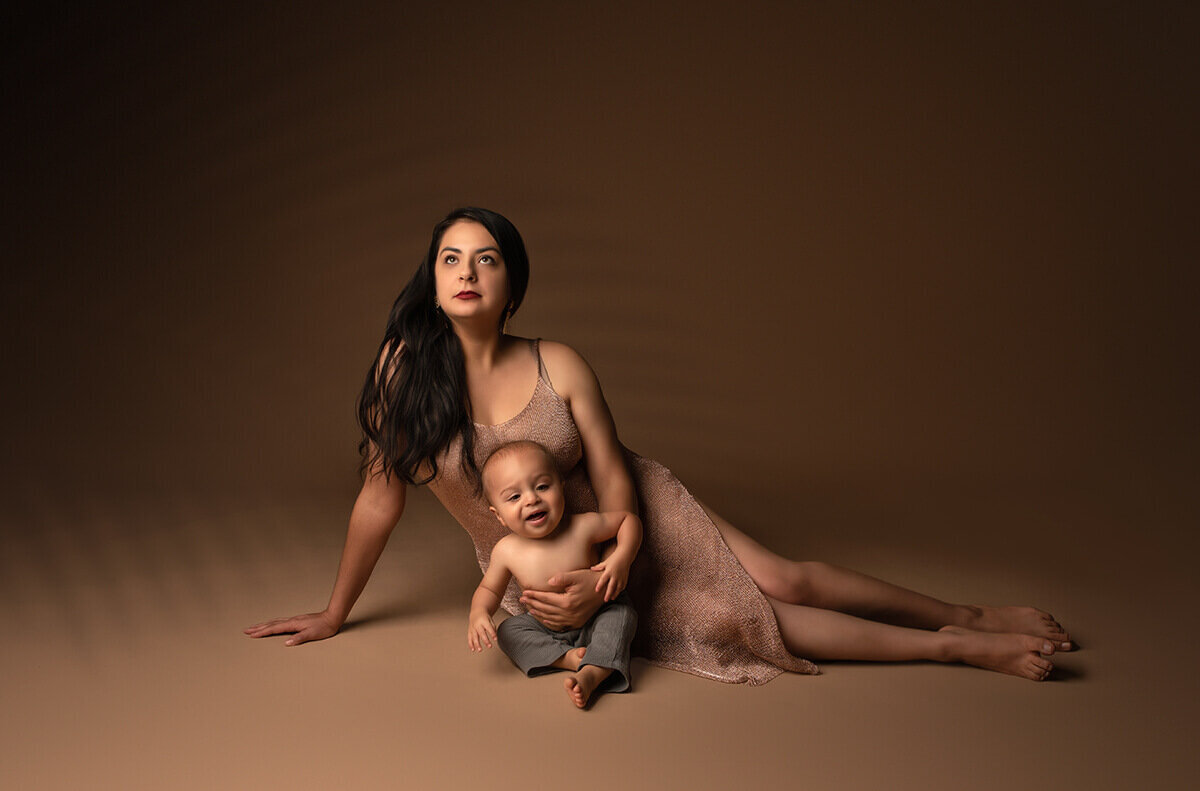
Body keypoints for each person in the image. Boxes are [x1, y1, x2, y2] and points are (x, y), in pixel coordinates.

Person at [245, 206, 1074, 683]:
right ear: (431, 278)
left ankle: (965, 615)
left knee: (782, 572)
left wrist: (616, 559)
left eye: (487, 259)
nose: (467, 271)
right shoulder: (401, 373)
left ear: (511, 282)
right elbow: (379, 497)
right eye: (451, 258)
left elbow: (613, 481)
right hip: (540, 561)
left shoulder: (557, 361)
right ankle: (961, 650)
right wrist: (334, 610)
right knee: (754, 616)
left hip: (627, 519)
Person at [468, 439, 641, 709]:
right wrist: (479, 613)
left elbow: (628, 521)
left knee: (622, 615)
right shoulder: (506, 550)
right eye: (514, 497)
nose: (532, 499)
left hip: (597, 615)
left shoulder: (582, 526)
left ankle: (592, 673)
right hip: (546, 627)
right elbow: (489, 590)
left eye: (542, 486)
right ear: (499, 515)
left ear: (561, 486)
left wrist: (622, 558)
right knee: (509, 631)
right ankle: (567, 658)